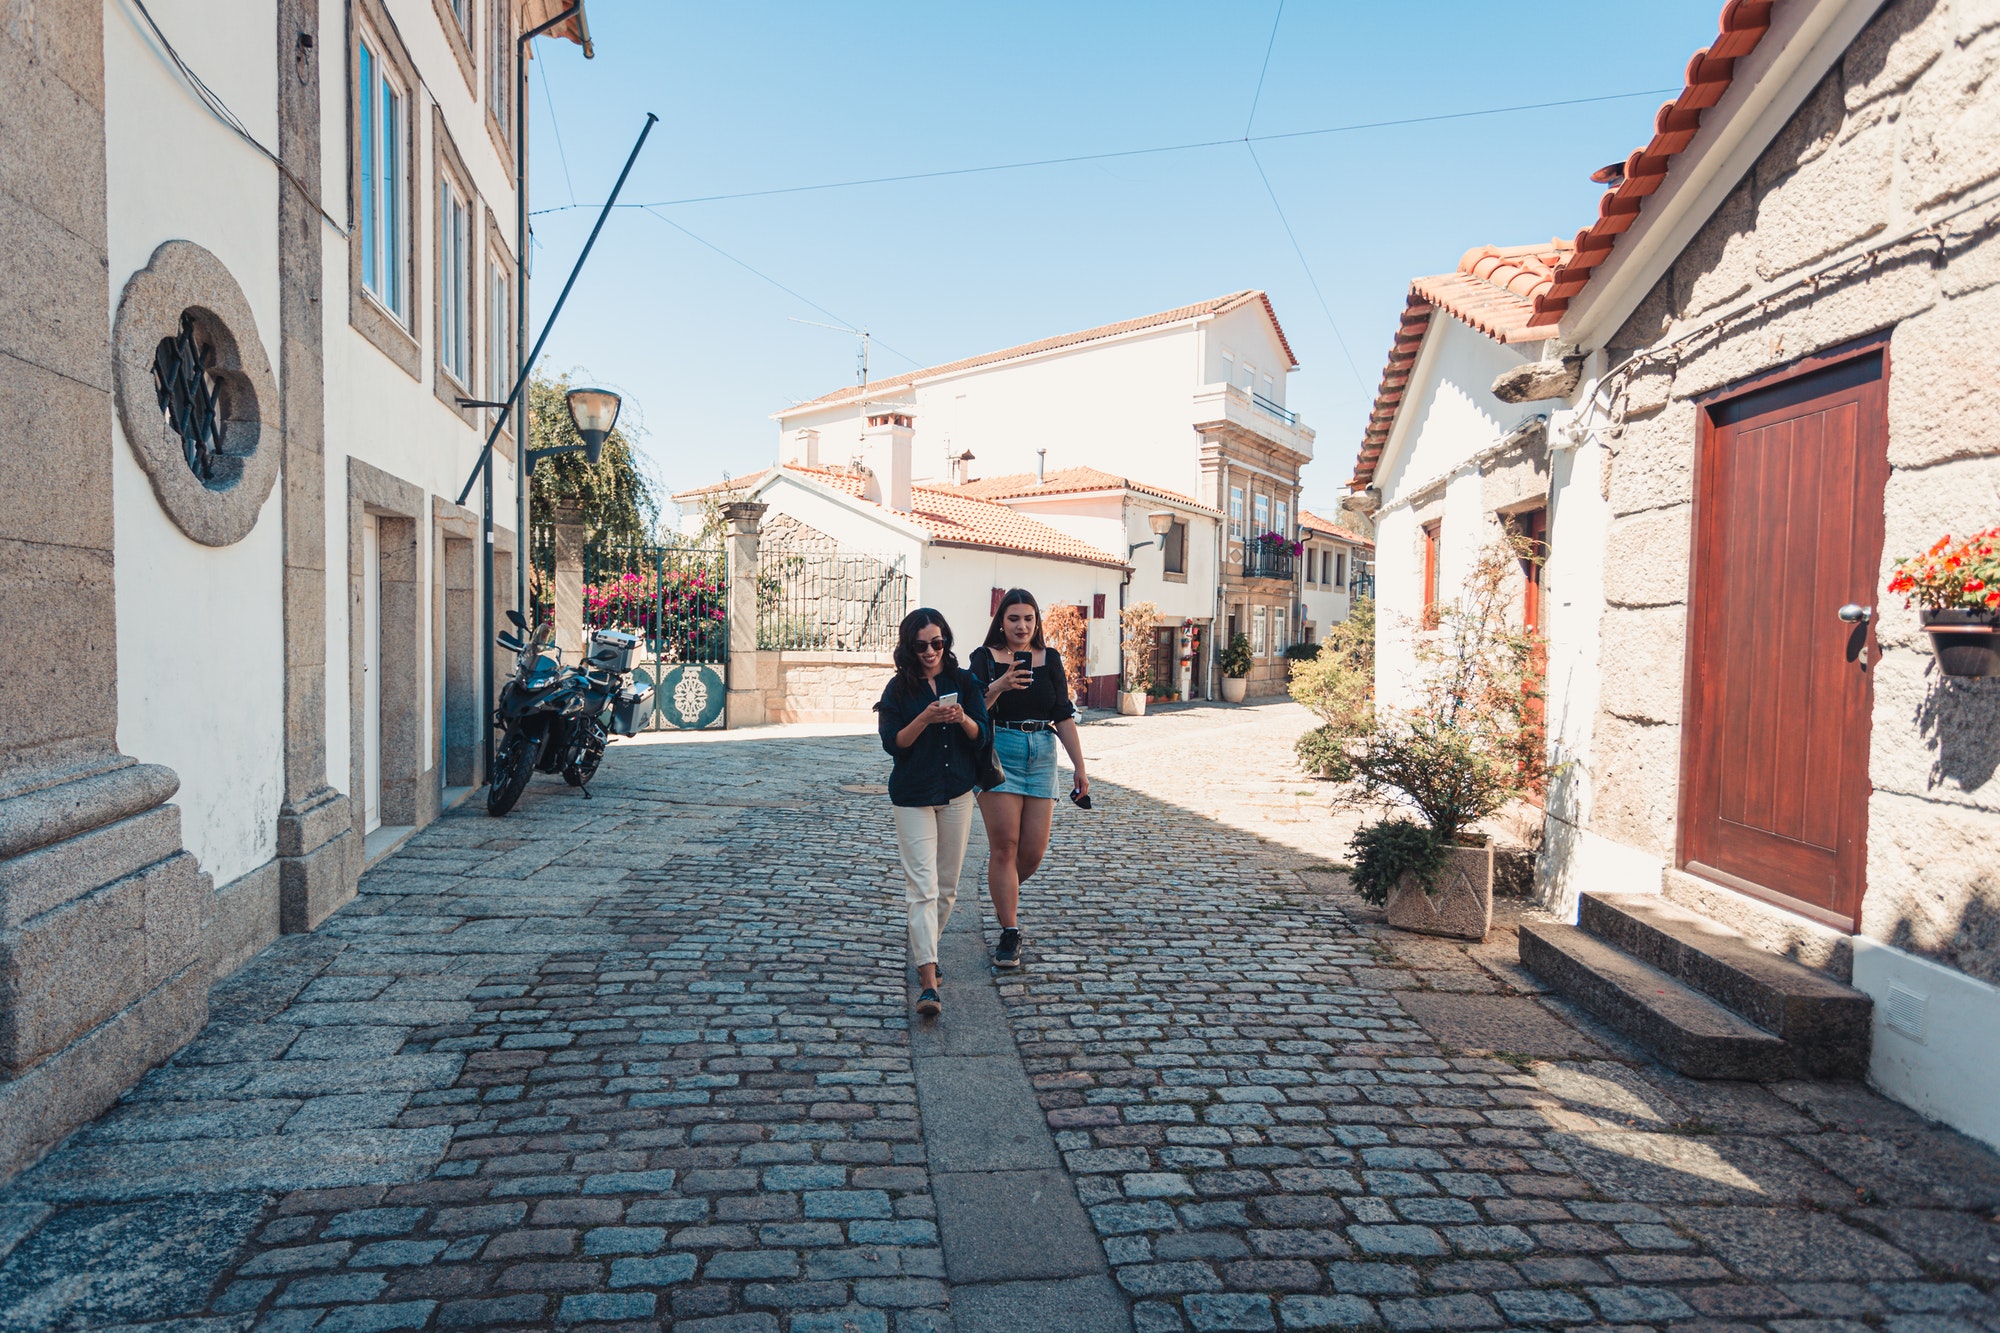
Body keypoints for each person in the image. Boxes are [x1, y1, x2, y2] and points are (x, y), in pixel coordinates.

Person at [875, 608, 990, 1017]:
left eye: (937, 643)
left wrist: (963, 719)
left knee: (947, 887)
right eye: (921, 645)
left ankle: (927, 948)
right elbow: (895, 744)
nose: (930, 651)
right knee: (921, 888)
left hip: (957, 792)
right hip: (913, 796)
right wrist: (925, 717)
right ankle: (928, 981)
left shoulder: (963, 681)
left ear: (947, 642)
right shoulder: (898, 690)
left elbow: (983, 735)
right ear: (910, 646)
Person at [968, 589, 1089, 970]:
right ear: (1001, 622)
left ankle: (1001, 890)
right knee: (1005, 846)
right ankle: (1010, 932)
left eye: (1028, 619)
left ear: (1037, 622)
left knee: (1032, 852)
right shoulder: (983, 658)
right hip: (999, 750)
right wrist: (999, 685)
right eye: (1014, 618)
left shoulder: (1050, 659)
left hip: (1042, 752)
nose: (1021, 626)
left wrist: (1080, 767)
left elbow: (1063, 715)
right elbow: (971, 710)